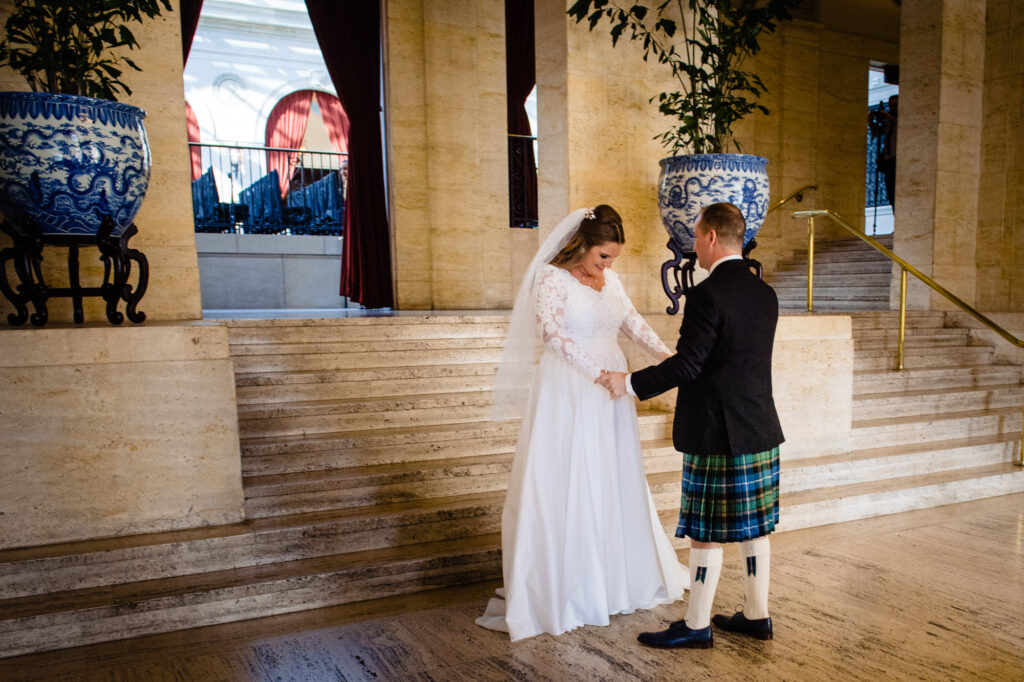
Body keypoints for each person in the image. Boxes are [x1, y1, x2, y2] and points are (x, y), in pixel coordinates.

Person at [476, 205, 688, 641]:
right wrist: (598, 375)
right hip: (572, 386)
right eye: (602, 257)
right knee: (570, 475)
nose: (608, 265)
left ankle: (615, 579)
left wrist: (672, 361)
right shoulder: (551, 279)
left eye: (612, 258)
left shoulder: (612, 280)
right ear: (582, 246)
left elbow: (633, 323)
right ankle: (571, 586)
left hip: (614, 388)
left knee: (611, 475)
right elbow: (553, 335)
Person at [597, 202, 784, 649]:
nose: (694, 245)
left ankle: (697, 624)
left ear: (713, 237)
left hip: (716, 432)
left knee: (706, 532)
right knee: (756, 526)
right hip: (758, 426)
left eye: (697, 235)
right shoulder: (766, 293)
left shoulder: (707, 294)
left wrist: (630, 382)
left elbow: (690, 365)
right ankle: (757, 616)